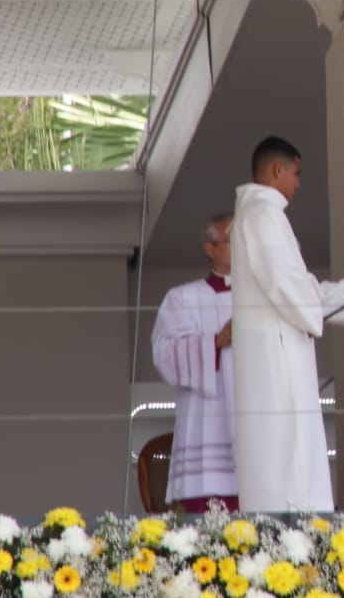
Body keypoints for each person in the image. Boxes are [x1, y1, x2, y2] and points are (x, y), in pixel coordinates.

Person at [232, 136, 344, 512]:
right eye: (296, 174)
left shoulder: (262, 215)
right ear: (277, 170)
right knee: (287, 455)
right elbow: (287, 287)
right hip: (276, 357)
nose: (298, 183)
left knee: (293, 450)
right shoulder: (263, 215)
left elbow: (303, 291)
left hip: (280, 349)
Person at [150, 213, 238, 513]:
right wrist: (215, 341)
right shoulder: (182, 298)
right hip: (206, 422)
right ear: (209, 248)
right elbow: (165, 354)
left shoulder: (264, 297)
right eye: (232, 241)